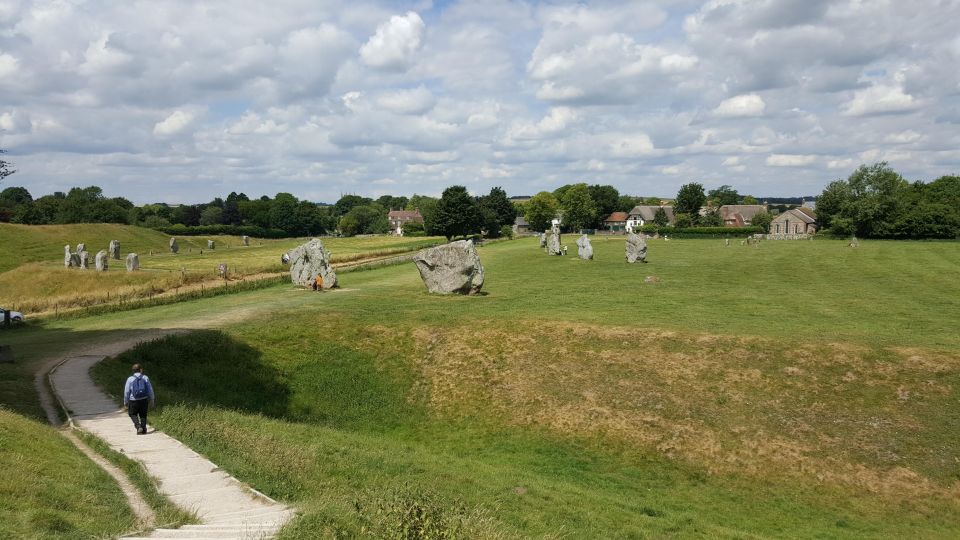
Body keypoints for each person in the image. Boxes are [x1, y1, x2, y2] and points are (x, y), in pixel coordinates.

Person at [123, 364, 155, 435]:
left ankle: (138, 427)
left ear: (133, 371)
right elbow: (150, 389)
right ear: (141, 370)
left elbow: (127, 391)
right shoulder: (145, 377)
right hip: (144, 399)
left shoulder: (130, 379)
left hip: (133, 400)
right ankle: (143, 429)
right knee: (143, 415)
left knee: (132, 414)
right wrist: (152, 399)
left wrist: (126, 401)